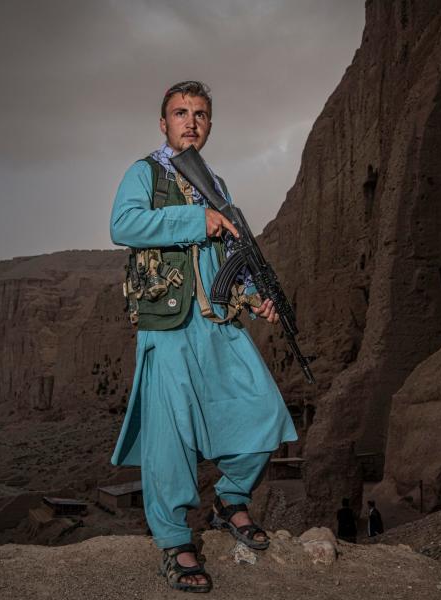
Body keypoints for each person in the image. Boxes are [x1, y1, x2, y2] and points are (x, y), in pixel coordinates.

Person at [109, 80, 298, 593]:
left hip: (218, 322)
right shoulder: (144, 173)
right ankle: (175, 543)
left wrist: (259, 295)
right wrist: (198, 219)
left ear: (210, 124)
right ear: (163, 123)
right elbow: (122, 224)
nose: (190, 121)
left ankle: (229, 502)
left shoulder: (217, 183)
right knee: (170, 436)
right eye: (179, 113)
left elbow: (234, 254)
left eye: (200, 114)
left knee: (262, 409)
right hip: (168, 327)